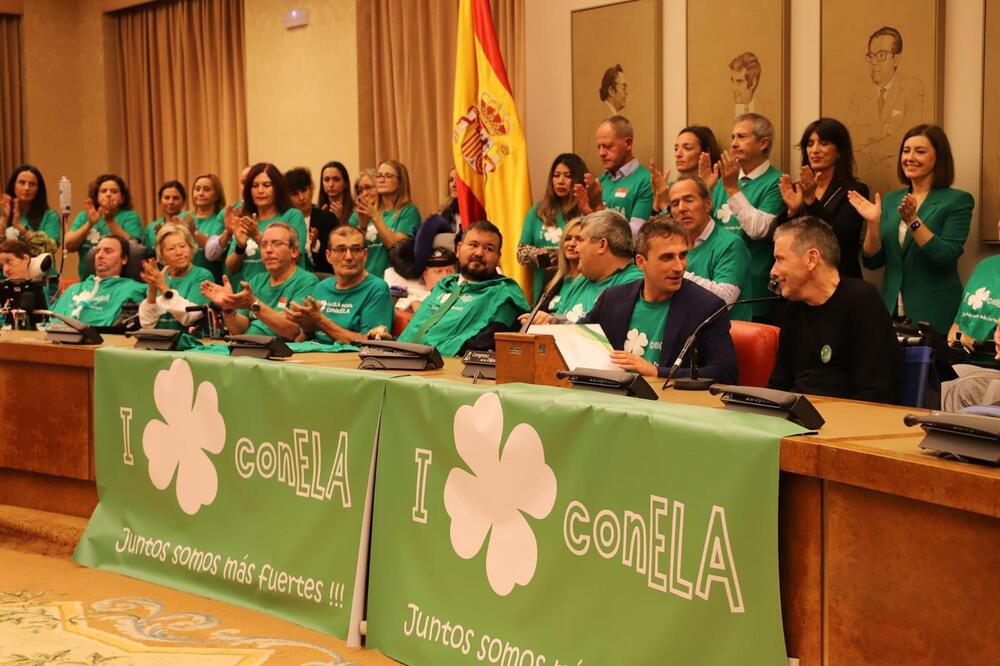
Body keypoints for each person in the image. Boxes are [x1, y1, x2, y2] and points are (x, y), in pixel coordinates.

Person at [849, 124, 974, 334]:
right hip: (890, 312)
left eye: (920, 151)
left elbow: (944, 257)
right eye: (906, 151)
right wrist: (873, 223)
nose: (910, 157)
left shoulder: (957, 201)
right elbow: (872, 261)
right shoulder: (890, 200)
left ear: (939, 157)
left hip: (934, 313)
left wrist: (913, 221)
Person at [581, 217, 738, 382]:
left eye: (683, 255)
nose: (679, 267)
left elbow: (725, 373)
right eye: (667, 258)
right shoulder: (612, 298)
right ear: (641, 262)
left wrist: (656, 372)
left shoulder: (707, 307)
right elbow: (576, 338)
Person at [768, 216, 901, 402]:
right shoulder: (793, 307)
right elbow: (779, 384)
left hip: (849, 421)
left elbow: (876, 392)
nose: (773, 271)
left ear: (811, 259)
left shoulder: (862, 301)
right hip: (796, 417)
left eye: (780, 259)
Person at [399, 220, 528, 355]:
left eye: (488, 248)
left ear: (498, 257)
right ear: (458, 249)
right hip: (399, 361)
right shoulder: (445, 286)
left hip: (446, 369)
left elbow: (483, 345)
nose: (479, 253)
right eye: (473, 245)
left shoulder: (504, 294)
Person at [775, 118, 869, 279]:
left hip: (839, 280)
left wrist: (811, 202)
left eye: (824, 143)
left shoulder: (854, 190)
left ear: (839, 151)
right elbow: (778, 239)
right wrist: (792, 211)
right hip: (799, 279)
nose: (815, 150)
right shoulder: (797, 188)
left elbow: (840, 237)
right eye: (810, 144)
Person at [710, 113, 782, 321]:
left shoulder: (776, 182)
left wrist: (732, 188)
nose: (733, 144)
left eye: (741, 137)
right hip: (719, 282)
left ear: (763, 143)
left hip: (754, 287)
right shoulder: (724, 180)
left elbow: (758, 229)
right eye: (732, 137)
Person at [203, 222, 317, 340]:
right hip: (249, 348)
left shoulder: (306, 281)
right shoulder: (256, 280)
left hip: (282, 353)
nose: (268, 250)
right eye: (263, 245)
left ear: (294, 251)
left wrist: (254, 304)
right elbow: (238, 330)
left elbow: (293, 332)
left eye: (276, 244)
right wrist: (228, 308)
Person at [531, 209, 642, 324]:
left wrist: (554, 323)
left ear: (602, 245)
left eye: (581, 240)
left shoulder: (634, 284)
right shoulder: (581, 280)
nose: (576, 248)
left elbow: (604, 337)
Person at [286, 225, 393, 344]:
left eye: (356, 249)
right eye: (341, 250)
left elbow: (372, 344)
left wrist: (321, 321)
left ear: (365, 254)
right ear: (328, 255)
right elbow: (303, 339)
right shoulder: (321, 287)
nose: (348, 257)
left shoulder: (377, 289)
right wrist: (307, 329)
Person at [850, 26, 925, 195]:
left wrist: (868, 148)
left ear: (896, 59)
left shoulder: (912, 88)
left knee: (906, 223)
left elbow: (907, 137)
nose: (874, 62)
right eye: (871, 56)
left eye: (881, 55)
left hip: (898, 185)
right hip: (865, 184)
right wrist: (881, 129)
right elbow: (852, 136)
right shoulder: (859, 95)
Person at [667, 176, 751, 320]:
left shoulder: (731, 244)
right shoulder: (670, 245)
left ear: (707, 204)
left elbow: (723, 300)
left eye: (689, 200)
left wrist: (674, 273)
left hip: (725, 334)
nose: (681, 208)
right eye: (675, 203)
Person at [518, 153, 587, 301]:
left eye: (567, 176)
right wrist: (541, 255)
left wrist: (563, 253)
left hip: (576, 287)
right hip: (544, 288)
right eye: (556, 175)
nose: (560, 181)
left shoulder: (585, 211)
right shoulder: (538, 210)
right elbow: (521, 252)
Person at [224, 163, 308, 285]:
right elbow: (231, 269)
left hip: (284, 291)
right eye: (255, 186)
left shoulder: (292, 215)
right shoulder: (245, 220)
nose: (260, 191)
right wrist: (240, 248)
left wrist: (257, 235)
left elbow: (295, 256)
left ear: (277, 188)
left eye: (267, 185)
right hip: (247, 294)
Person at [575, 116, 653, 236]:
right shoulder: (599, 183)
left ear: (628, 143)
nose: (601, 153)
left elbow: (636, 236)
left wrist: (600, 209)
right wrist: (590, 213)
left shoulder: (646, 181)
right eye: (599, 147)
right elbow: (587, 236)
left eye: (608, 146)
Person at [50, 235, 146, 327]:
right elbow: (50, 322)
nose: (100, 255)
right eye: (97, 251)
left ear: (124, 259)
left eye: (108, 251)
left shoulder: (134, 289)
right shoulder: (73, 289)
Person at [350, 160, 420, 281]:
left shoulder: (408, 211)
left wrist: (375, 217)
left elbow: (396, 246)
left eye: (388, 176)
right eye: (379, 176)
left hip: (393, 282)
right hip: (366, 279)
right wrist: (362, 226)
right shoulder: (369, 211)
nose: (382, 180)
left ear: (400, 181)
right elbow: (355, 250)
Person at [64, 174, 143, 280]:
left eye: (114, 191)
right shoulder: (84, 216)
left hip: (121, 280)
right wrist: (89, 224)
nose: (108, 194)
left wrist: (109, 220)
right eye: (103, 191)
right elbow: (68, 245)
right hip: (88, 280)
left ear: (122, 198)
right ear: (97, 196)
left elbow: (133, 247)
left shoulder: (130, 216)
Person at [138, 224, 214, 332]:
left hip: (191, 344)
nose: (179, 252)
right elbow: (147, 324)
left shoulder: (203, 276)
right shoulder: (159, 277)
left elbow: (191, 317)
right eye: (171, 249)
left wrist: (164, 288)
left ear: (191, 249)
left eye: (183, 246)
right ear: (162, 256)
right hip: (160, 343)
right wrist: (152, 291)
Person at [650, 126, 722, 213]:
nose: (678, 154)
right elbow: (655, 225)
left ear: (705, 152)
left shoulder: (721, 187)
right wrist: (657, 200)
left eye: (687, 148)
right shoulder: (671, 187)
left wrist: (666, 205)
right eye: (676, 149)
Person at [285, 166, 338, 273]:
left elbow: (336, 256)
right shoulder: (285, 221)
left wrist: (315, 246)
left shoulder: (327, 218)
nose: (301, 197)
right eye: (295, 194)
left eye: (304, 190)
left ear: (312, 188)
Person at [1, 165, 61, 252]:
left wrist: (20, 227)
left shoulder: (50, 216)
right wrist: (3, 219)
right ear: (13, 186)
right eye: (22, 183)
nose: (26, 188)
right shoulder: (3, 212)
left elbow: (51, 248)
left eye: (32, 184)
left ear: (38, 190)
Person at [186, 173, 227, 281]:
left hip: (213, 281)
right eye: (197, 189)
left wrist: (194, 232)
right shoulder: (184, 217)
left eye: (206, 189)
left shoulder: (221, 220)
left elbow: (217, 254)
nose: (200, 193)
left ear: (217, 195)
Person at [541, 217, 584, 314]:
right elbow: (537, 312)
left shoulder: (591, 280)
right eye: (567, 238)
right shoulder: (551, 275)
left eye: (578, 239)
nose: (572, 244)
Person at [142, 180, 190, 248]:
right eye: (167, 198)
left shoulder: (189, 222)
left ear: (184, 201)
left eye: (175, 198)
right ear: (160, 201)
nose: (171, 202)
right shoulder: (151, 227)